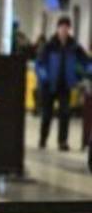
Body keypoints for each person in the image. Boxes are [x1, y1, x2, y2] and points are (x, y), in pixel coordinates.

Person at [35, 16, 89, 150]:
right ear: (58, 28)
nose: (64, 30)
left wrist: (88, 70)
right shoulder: (49, 45)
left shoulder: (74, 46)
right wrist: (44, 77)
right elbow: (39, 64)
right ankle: (43, 138)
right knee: (47, 114)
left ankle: (62, 142)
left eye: (66, 28)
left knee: (65, 114)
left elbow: (86, 61)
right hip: (49, 86)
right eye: (62, 27)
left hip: (65, 86)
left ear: (69, 29)